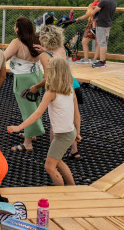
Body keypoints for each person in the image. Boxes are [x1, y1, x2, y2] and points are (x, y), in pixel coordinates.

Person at [9, 58, 81, 186]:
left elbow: (37, 114)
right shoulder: (70, 90)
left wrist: (19, 127)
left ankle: (62, 193)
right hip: (69, 132)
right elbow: (77, 114)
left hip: (63, 135)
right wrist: (77, 133)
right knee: (57, 161)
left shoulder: (51, 92)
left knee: (49, 167)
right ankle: (72, 187)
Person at [32, 25, 83, 159]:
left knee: (55, 121)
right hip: (73, 86)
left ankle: (53, 153)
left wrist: (36, 86)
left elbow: (49, 77)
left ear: (43, 39)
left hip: (59, 88)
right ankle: (74, 150)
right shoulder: (61, 50)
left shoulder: (44, 55)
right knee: (71, 117)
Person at [4, 16, 48, 152]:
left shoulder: (17, 42)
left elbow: (3, 57)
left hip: (23, 79)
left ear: (18, 28)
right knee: (34, 105)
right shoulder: (36, 39)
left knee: (27, 110)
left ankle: (27, 143)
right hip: (36, 76)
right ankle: (32, 132)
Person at [73, 0, 103, 64]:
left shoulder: (104, 5)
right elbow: (87, 15)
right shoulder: (91, 5)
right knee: (84, 42)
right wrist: (78, 19)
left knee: (97, 43)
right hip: (90, 24)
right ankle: (86, 59)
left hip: (101, 24)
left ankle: (94, 59)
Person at [90, 0, 117, 68]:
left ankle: (102, 62)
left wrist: (92, 14)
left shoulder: (104, 2)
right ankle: (103, 61)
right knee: (104, 43)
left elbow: (94, 11)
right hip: (108, 24)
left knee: (102, 43)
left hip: (102, 24)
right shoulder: (114, 2)